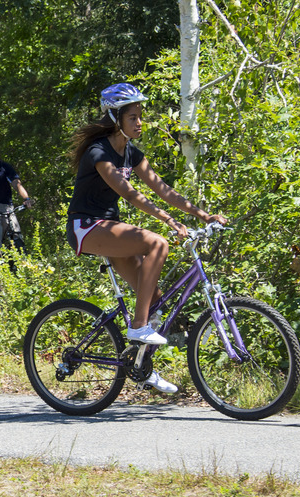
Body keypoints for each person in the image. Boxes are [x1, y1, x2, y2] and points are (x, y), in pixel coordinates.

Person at [66, 83, 228, 393]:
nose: (140, 122)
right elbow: (128, 192)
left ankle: (140, 366)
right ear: (116, 119)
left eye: (141, 116)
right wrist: (167, 220)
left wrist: (202, 215)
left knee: (154, 299)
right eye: (133, 117)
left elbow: (162, 189)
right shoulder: (99, 152)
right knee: (158, 242)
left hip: (109, 228)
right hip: (86, 227)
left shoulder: (131, 152)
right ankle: (137, 327)